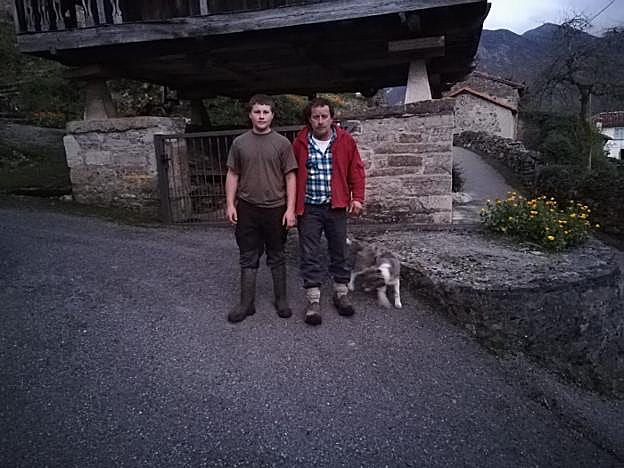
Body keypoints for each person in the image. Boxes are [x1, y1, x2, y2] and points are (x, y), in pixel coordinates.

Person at [225, 94, 298, 323]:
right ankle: (246, 303)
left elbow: (290, 177)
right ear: (250, 114)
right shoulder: (239, 143)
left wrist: (290, 209)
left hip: (276, 209)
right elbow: (233, 174)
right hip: (247, 208)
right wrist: (230, 204)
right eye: (257, 111)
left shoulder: (283, 144)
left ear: (272, 115)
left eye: (266, 112)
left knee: (277, 255)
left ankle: (281, 300)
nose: (261, 116)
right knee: (248, 255)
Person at [292, 97, 366, 326]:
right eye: (315, 117)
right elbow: (291, 176)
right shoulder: (300, 143)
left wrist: (357, 198)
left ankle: (341, 293)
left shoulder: (345, 140)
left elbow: (356, 169)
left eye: (324, 116)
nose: (320, 121)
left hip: (336, 206)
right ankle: (313, 300)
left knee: (339, 250)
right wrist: (291, 207)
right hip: (309, 208)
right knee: (309, 253)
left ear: (332, 118)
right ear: (309, 119)